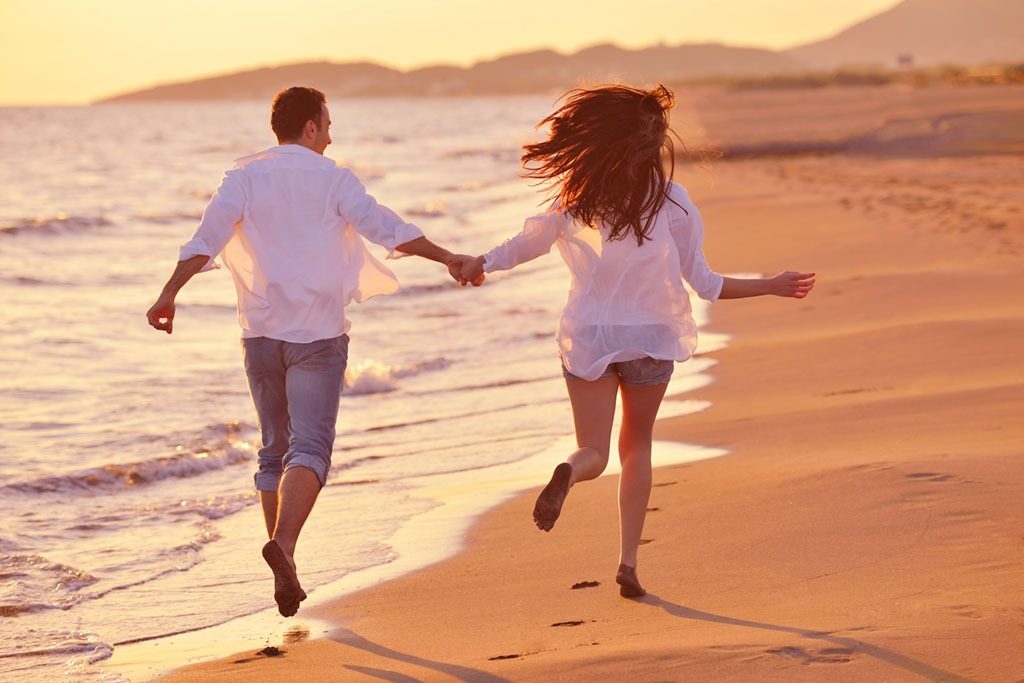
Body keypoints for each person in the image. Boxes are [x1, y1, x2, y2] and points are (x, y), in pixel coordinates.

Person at [455, 84, 814, 598]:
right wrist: (771, 284)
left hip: (590, 337)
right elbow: (707, 285)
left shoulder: (577, 201)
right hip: (650, 339)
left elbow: (524, 244)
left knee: (594, 451)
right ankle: (627, 564)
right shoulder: (673, 202)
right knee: (637, 445)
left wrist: (480, 262)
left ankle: (568, 471)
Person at [146, 86, 478, 617]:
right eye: (327, 123)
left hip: (260, 334)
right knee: (311, 449)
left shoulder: (243, 178)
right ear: (309, 128)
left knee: (273, 448)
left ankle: (287, 564)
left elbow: (203, 239)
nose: (331, 133)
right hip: (318, 336)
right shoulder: (335, 179)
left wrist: (169, 294)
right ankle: (286, 547)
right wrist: (448, 257)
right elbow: (387, 227)